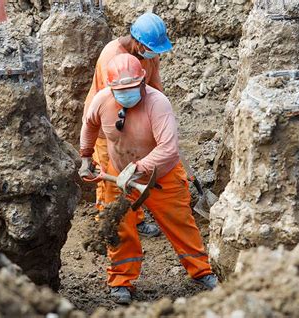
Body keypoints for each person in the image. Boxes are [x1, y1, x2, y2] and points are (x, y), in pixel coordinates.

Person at [79, 53, 218, 304]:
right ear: (111, 87)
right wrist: (86, 157)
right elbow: (89, 125)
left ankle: (202, 271)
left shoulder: (158, 103)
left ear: (143, 83)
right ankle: (121, 281)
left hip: (161, 175)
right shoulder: (102, 100)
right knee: (118, 229)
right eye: (120, 90)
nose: (126, 94)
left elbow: (168, 149)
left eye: (131, 89)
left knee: (180, 224)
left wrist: (138, 168)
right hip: (118, 176)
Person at [83, 12, 173, 238]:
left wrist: (162, 118)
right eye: (150, 48)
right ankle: (106, 225)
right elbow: (115, 100)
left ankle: (136, 218)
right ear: (137, 42)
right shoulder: (112, 58)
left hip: (136, 121)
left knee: (132, 170)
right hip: (109, 127)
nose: (153, 54)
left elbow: (155, 86)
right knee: (110, 178)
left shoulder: (149, 53)